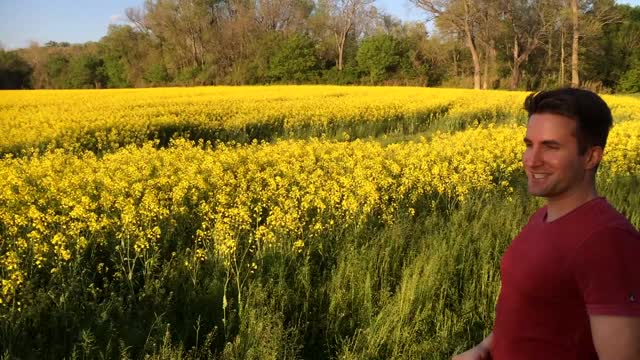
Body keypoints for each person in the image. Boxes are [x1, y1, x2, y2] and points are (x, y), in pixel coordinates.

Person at [453, 88, 640, 360]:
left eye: (551, 147)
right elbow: (530, 314)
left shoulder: (607, 240)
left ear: (591, 157)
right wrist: (483, 349)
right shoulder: (543, 218)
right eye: (529, 144)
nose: (532, 160)